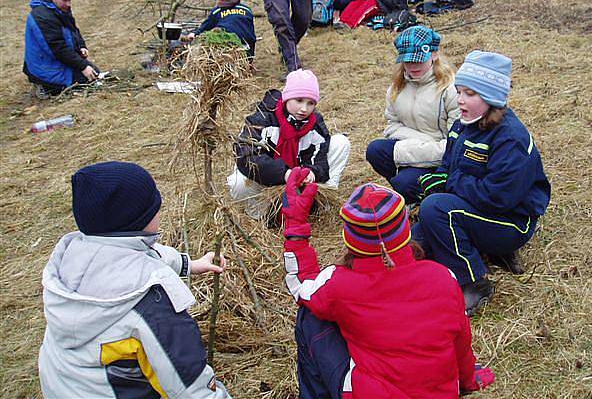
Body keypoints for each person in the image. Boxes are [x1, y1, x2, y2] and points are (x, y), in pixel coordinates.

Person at [280, 171, 495, 398]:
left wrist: (295, 225)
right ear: (405, 231)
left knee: (310, 314)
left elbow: (302, 286)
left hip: (372, 393)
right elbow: (461, 341)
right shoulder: (443, 277)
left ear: (350, 239)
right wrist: (469, 379)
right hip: (440, 393)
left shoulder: (339, 284)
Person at [38, 161, 232, 398]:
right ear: (137, 220)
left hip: (63, 386)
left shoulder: (72, 257)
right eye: (154, 207)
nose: (159, 210)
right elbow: (191, 389)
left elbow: (144, 252)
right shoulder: (152, 304)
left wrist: (190, 265)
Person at [412, 51, 551, 316]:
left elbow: (499, 197)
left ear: (491, 98)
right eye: (459, 91)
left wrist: (449, 184)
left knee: (436, 210)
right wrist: (438, 180)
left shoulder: (512, 139)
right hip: (476, 207)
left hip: (510, 222)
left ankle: (473, 281)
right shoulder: (463, 124)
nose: (460, 100)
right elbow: (448, 165)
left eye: (470, 94)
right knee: (416, 239)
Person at [228, 69, 350, 219]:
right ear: (287, 98)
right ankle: (261, 214)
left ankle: (318, 200)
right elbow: (247, 157)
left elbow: (320, 158)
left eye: (310, 103)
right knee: (238, 182)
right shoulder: (262, 119)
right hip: (269, 178)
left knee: (340, 143)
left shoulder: (314, 123)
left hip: (299, 176)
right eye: (299, 100)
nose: (304, 109)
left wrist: (312, 172)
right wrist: (285, 173)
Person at [366, 26, 458, 205]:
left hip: (441, 158)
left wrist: (404, 152)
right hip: (415, 148)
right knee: (375, 149)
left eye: (418, 60)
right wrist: (418, 143)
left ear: (434, 54)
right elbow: (392, 125)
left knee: (404, 182)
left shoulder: (450, 89)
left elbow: (453, 146)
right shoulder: (396, 88)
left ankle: (429, 196)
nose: (413, 66)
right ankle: (412, 192)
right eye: (408, 61)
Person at [23, 0, 100, 98]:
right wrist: (82, 66)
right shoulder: (42, 16)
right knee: (86, 79)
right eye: (65, 0)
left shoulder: (60, 8)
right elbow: (57, 48)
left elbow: (73, 29)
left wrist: (81, 46)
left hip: (56, 59)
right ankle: (44, 86)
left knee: (94, 73)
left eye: (70, 0)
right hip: (45, 65)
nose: (68, 4)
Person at [186, 0, 257, 59]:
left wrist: (195, 33)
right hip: (248, 46)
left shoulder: (217, 11)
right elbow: (251, 32)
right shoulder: (246, 10)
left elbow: (206, 26)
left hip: (229, 47)